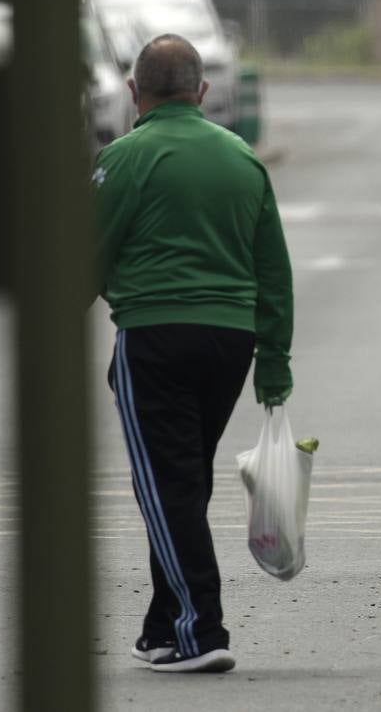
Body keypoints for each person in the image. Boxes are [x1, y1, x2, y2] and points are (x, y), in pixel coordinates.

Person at [92, 34, 295, 672]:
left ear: (134, 92)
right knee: (184, 479)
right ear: (202, 92)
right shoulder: (243, 159)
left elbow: (86, 255)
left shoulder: (123, 157)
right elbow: (274, 272)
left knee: (167, 484)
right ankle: (161, 626)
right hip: (229, 345)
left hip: (153, 337)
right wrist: (274, 362)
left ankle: (198, 629)